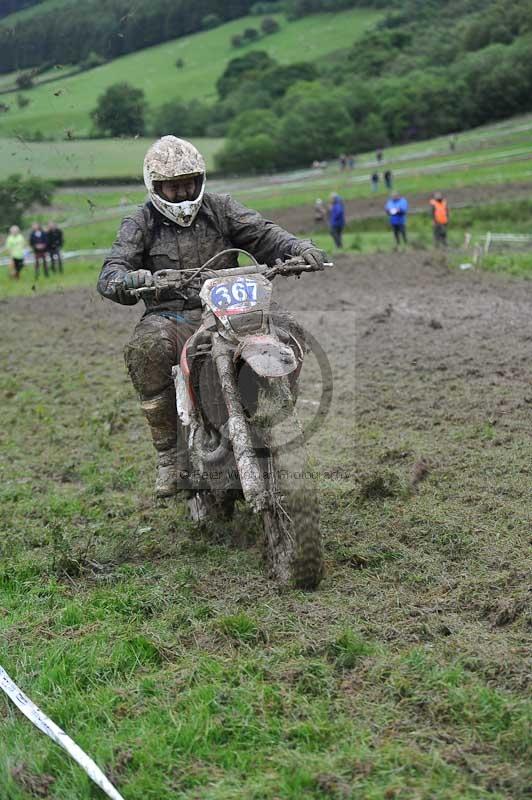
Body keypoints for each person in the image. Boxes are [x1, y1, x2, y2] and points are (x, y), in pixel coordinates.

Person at [97, 136, 327, 498]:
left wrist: (298, 248)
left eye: (189, 182)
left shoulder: (221, 208)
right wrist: (129, 280)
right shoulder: (140, 222)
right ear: (156, 186)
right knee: (147, 348)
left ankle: (276, 410)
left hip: (232, 308)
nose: (183, 192)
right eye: (173, 186)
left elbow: (263, 233)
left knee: (290, 330)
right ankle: (169, 456)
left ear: (200, 180)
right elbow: (111, 271)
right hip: (174, 314)